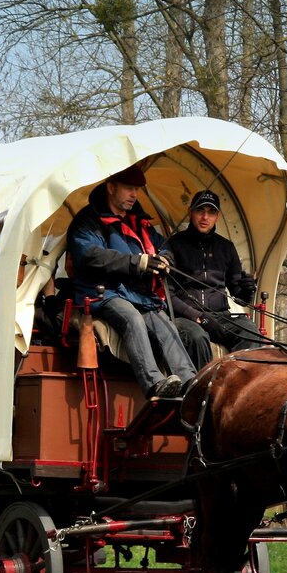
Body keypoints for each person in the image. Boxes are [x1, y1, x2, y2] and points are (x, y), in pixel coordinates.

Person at [65, 163, 195, 398]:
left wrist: (164, 259)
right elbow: (90, 256)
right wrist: (138, 263)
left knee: (165, 325)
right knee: (132, 319)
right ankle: (155, 384)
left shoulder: (139, 221)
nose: (134, 195)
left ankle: (191, 384)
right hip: (102, 292)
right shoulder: (87, 221)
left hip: (139, 294)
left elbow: (164, 246)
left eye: (136, 189)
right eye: (128, 189)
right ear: (111, 187)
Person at [165, 188, 265, 368]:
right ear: (190, 212)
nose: (205, 217)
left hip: (221, 316)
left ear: (217, 216)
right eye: (200, 211)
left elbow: (239, 296)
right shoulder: (173, 245)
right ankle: (199, 391)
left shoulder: (226, 247)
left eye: (211, 212)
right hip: (186, 317)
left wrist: (248, 288)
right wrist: (199, 318)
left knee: (251, 333)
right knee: (197, 337)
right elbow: (167, 295)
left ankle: (234, 388)